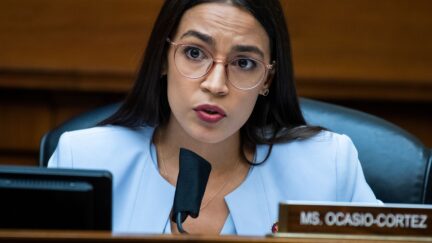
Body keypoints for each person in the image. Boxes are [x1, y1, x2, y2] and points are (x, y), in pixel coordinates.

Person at [48, 0, 379, 236]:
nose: (216, 84)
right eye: (194, 53)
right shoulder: (84, 159)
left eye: (244, 62)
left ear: (267, 79)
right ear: (163, 59)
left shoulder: (328, 167)